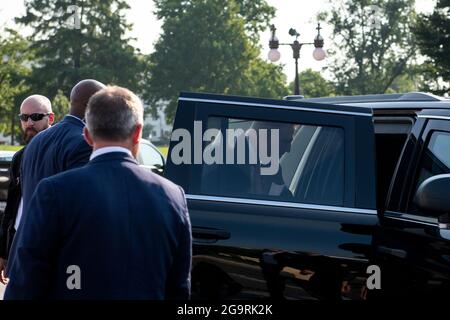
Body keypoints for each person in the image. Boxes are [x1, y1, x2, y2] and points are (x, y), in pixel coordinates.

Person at [4, 86, 192, 299]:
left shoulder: (54, 191)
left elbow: (26, 281)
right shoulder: (173, 196)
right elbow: (179, 289)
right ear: (138, 132)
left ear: (87, 135)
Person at [19, 79, 106, 220]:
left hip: (30, 236)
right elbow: (83, 205)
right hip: (61, 239)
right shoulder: (84, 142)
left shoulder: (36, 141)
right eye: (105, 105)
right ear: (93, 105)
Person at [0, 95, 54, 285]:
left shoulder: (60, 151)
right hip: (20, 245)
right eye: (24, 118)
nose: (29, 123)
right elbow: (12, 208)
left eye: (36, 117)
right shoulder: (19, 158)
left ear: (51, 118)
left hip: (49, 248)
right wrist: (4, 252)